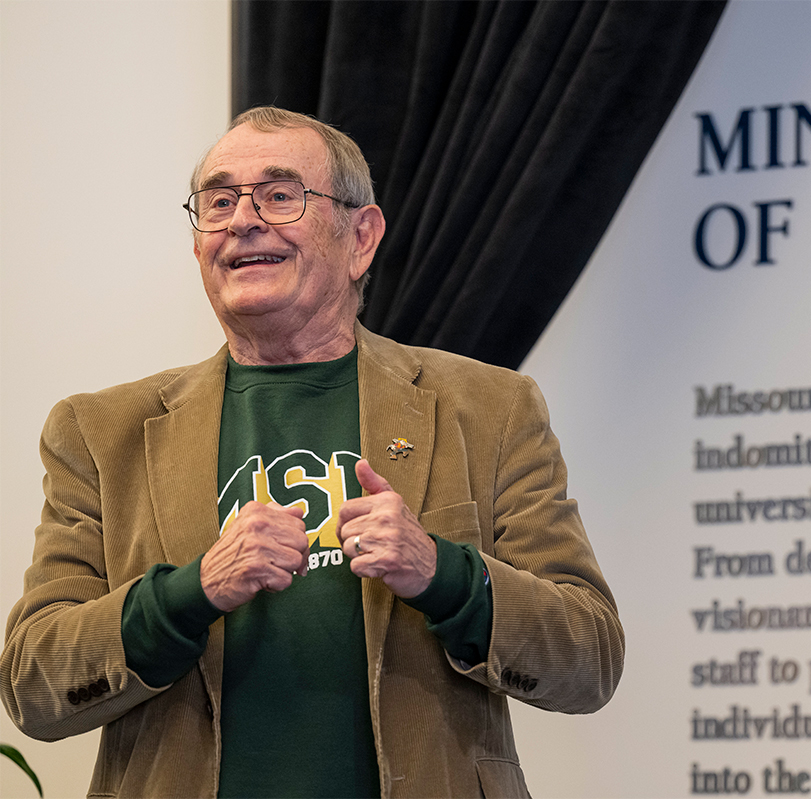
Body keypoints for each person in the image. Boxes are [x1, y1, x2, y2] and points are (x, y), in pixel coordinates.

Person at [1, 106, 623, 798]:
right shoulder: (99, 431)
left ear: (361, 236)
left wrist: (444, 573)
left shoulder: (490, 408)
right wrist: (191, 591)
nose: (242, 219)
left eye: (279, 194)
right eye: (219, 201)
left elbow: (588, 657)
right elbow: (35, 683)